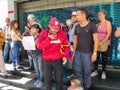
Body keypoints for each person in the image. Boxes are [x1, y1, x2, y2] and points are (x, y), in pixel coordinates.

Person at [36, 18, 70, 90]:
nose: (55, 30)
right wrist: (48, 39)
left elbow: (66, 47)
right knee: (48, 81)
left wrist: (65, 56)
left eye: (57, 29)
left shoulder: (62, 34)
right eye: (54, 28)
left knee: (59, 80)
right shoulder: (44, 33)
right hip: (47, 61)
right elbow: (39, 46)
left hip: (58, 60)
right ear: (49, 26)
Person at [73, 8, 99, 90]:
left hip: (87, 53)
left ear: (84, 15)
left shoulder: (91, 25)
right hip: (78, 53)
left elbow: (96, 40)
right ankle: (80, 87)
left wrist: (95, 53)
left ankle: (87, 87)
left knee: (87, 72)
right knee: (78, 72)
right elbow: (75, 40)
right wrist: (73, 53)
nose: (76, 17)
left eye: (78, 15)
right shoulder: (76, 27)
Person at [91, 10, 112, 79]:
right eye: (98, 15)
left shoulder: (107, 23)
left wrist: (102, 42)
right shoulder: (98, 23)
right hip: (97, 42)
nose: (98, 16)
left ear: (104, 15)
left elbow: (108, 33)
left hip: (105, 43)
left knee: (104, 58)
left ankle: (103, 72)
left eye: (100, 14)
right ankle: (96, 71)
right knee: (96, 57)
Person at [67, 11, 79, 78]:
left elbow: (77, 37)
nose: (72, 18)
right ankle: (74, 75)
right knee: (73, 61)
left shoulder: (78, 25)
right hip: (71, 46)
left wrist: (71, 43)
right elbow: (70, 35)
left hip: (76, 46)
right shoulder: (72, 25)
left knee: (76, 62)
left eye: (74, 16)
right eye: (72, 16)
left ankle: (77, 76)